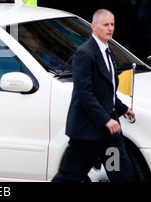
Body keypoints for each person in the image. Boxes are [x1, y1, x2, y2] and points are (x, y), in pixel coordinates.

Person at [52, 9, 135, 182]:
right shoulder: (85, 53)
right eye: (106, 25)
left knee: (121, 174)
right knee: (70, 176)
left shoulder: (108, 51)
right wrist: (106, 119)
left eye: (112, 24)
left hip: (109, 133)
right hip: (88, 131)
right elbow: (84, 93)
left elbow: (106, 90)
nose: (110, 28)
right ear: (94, 26)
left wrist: (122, 108)